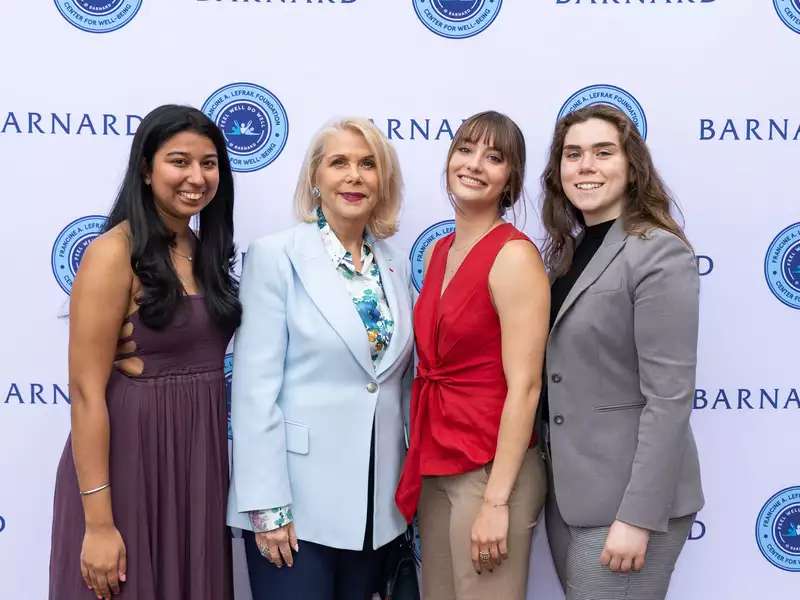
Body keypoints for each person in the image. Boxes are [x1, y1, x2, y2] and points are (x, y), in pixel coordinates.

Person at [49, 104, 242, 600]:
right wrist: (97, 524)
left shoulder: (205, 253)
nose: (196, 177)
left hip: (197, 464)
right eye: (179, 161)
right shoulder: (114, 253)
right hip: (129, 464)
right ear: (145, 167)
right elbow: (87, 392)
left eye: (209, 163)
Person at [227, 118, 413, 600]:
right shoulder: (275, 256)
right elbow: (253, 391)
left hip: (375, 511)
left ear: (383, 180)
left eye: (368, 163)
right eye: (339, 162)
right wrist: (267, 507)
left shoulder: (393, 265)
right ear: (316, 177)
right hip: (294, 509)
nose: (354, 176)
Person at [539, 104, 704, 600]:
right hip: (570, 497)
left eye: (602, 152)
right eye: (573, 155)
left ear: (632, 166)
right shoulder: (566, 254)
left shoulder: (658, 251)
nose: (586, 165)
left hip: (628, 504)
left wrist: (638, 516)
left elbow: (670, 397)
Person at [395, 111, 550, 600]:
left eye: (494, 156)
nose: (475, 164)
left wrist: (497, 500)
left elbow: (525, 386)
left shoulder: (514, 256)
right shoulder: (440, 251)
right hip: (438, 457)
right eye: (465, 149)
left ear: (511, 179)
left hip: (489, 469)